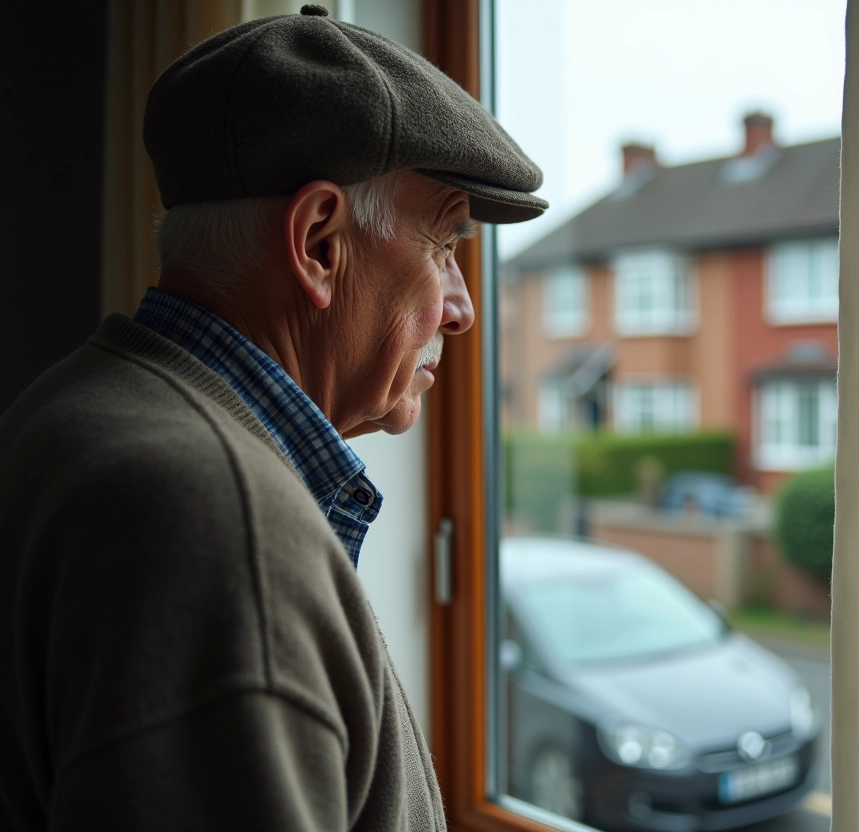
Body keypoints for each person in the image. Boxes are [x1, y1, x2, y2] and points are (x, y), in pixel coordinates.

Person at [0, 6, 546, 830]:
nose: (463, 309)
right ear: (320, 242)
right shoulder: (214, 525)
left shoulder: (77, 405)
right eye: (443, 246)